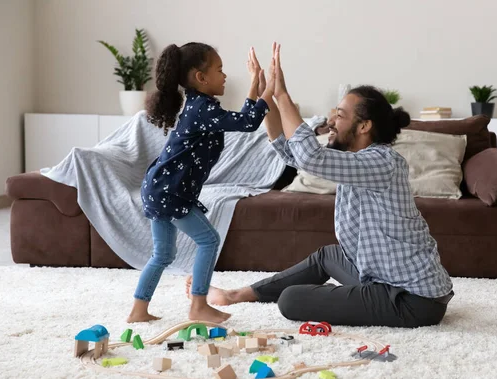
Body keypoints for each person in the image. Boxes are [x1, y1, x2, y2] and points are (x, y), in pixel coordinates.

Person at [190, 43, 454, 328]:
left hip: (413, 299)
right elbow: (290, 150)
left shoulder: (383, 162)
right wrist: (266, 97)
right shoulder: (353, 161)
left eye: (340, 115)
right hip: (381, 277)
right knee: (328, 256)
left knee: (291, 300)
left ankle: (347, 298)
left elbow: (310, 156)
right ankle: (237, 294)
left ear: (364, 126)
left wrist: (282, 94)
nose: (331, 121)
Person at [127, 43, 273, 323]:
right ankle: (198, 306)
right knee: (209, 239)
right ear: (200, 77)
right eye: (219, 70)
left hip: (159, 188)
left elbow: (244, 121)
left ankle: (138, 311)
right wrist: (268, 88)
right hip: (169, 192)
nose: (225, 76)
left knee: (163, 254)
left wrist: (255, 86)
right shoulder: (202, 110)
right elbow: (249, 122)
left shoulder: (201, 106)